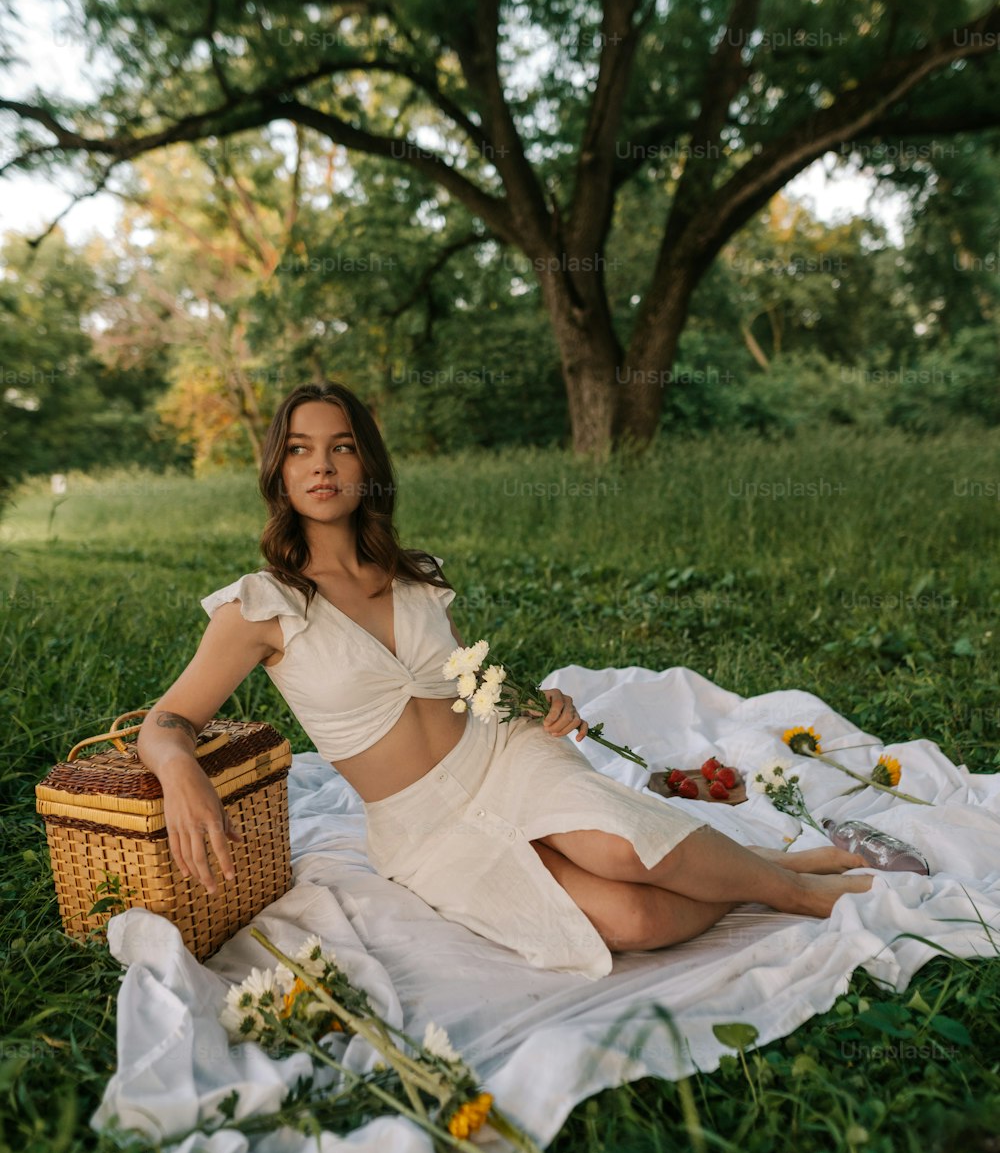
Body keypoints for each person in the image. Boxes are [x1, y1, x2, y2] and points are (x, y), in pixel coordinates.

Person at [137, 380, 873, 980]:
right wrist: (178, 769)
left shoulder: (413, 577)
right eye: (301, 449)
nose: (321, 465)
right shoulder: (263, 604)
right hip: (423, 826)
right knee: (633, 920)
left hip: (501, 753)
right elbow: (167, 719)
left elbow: (472, 679)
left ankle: (793, 889)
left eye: (342, 447)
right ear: (280, 469)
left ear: (368, 467)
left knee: (619, 849)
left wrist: (541, 700)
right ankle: (759, 868)